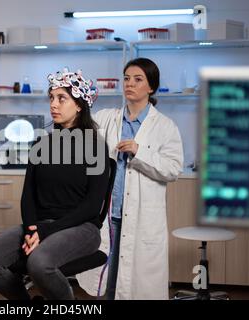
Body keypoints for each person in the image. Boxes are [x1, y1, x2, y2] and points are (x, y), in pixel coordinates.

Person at [0, 68, 110, 300]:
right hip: (39, 226)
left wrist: (44, 231)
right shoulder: (41, 146)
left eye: (62, 98)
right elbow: (28, 196)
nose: (54, 105)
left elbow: (91, 207)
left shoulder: (95, 147)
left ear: (79, 105)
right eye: (51, 98)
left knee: (39, 262)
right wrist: (31, 229)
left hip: (82, 228)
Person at [77, 58, 184, 300]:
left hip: (141, 218)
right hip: (108, 217)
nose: (130, 84)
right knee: (107, 282)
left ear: (151, 87)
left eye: (138, 79)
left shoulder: (165, 127)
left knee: (136, 286)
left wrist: (140, 151)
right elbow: (80, 133)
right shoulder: (106, 119)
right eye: (126, 78)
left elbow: (173, 169)